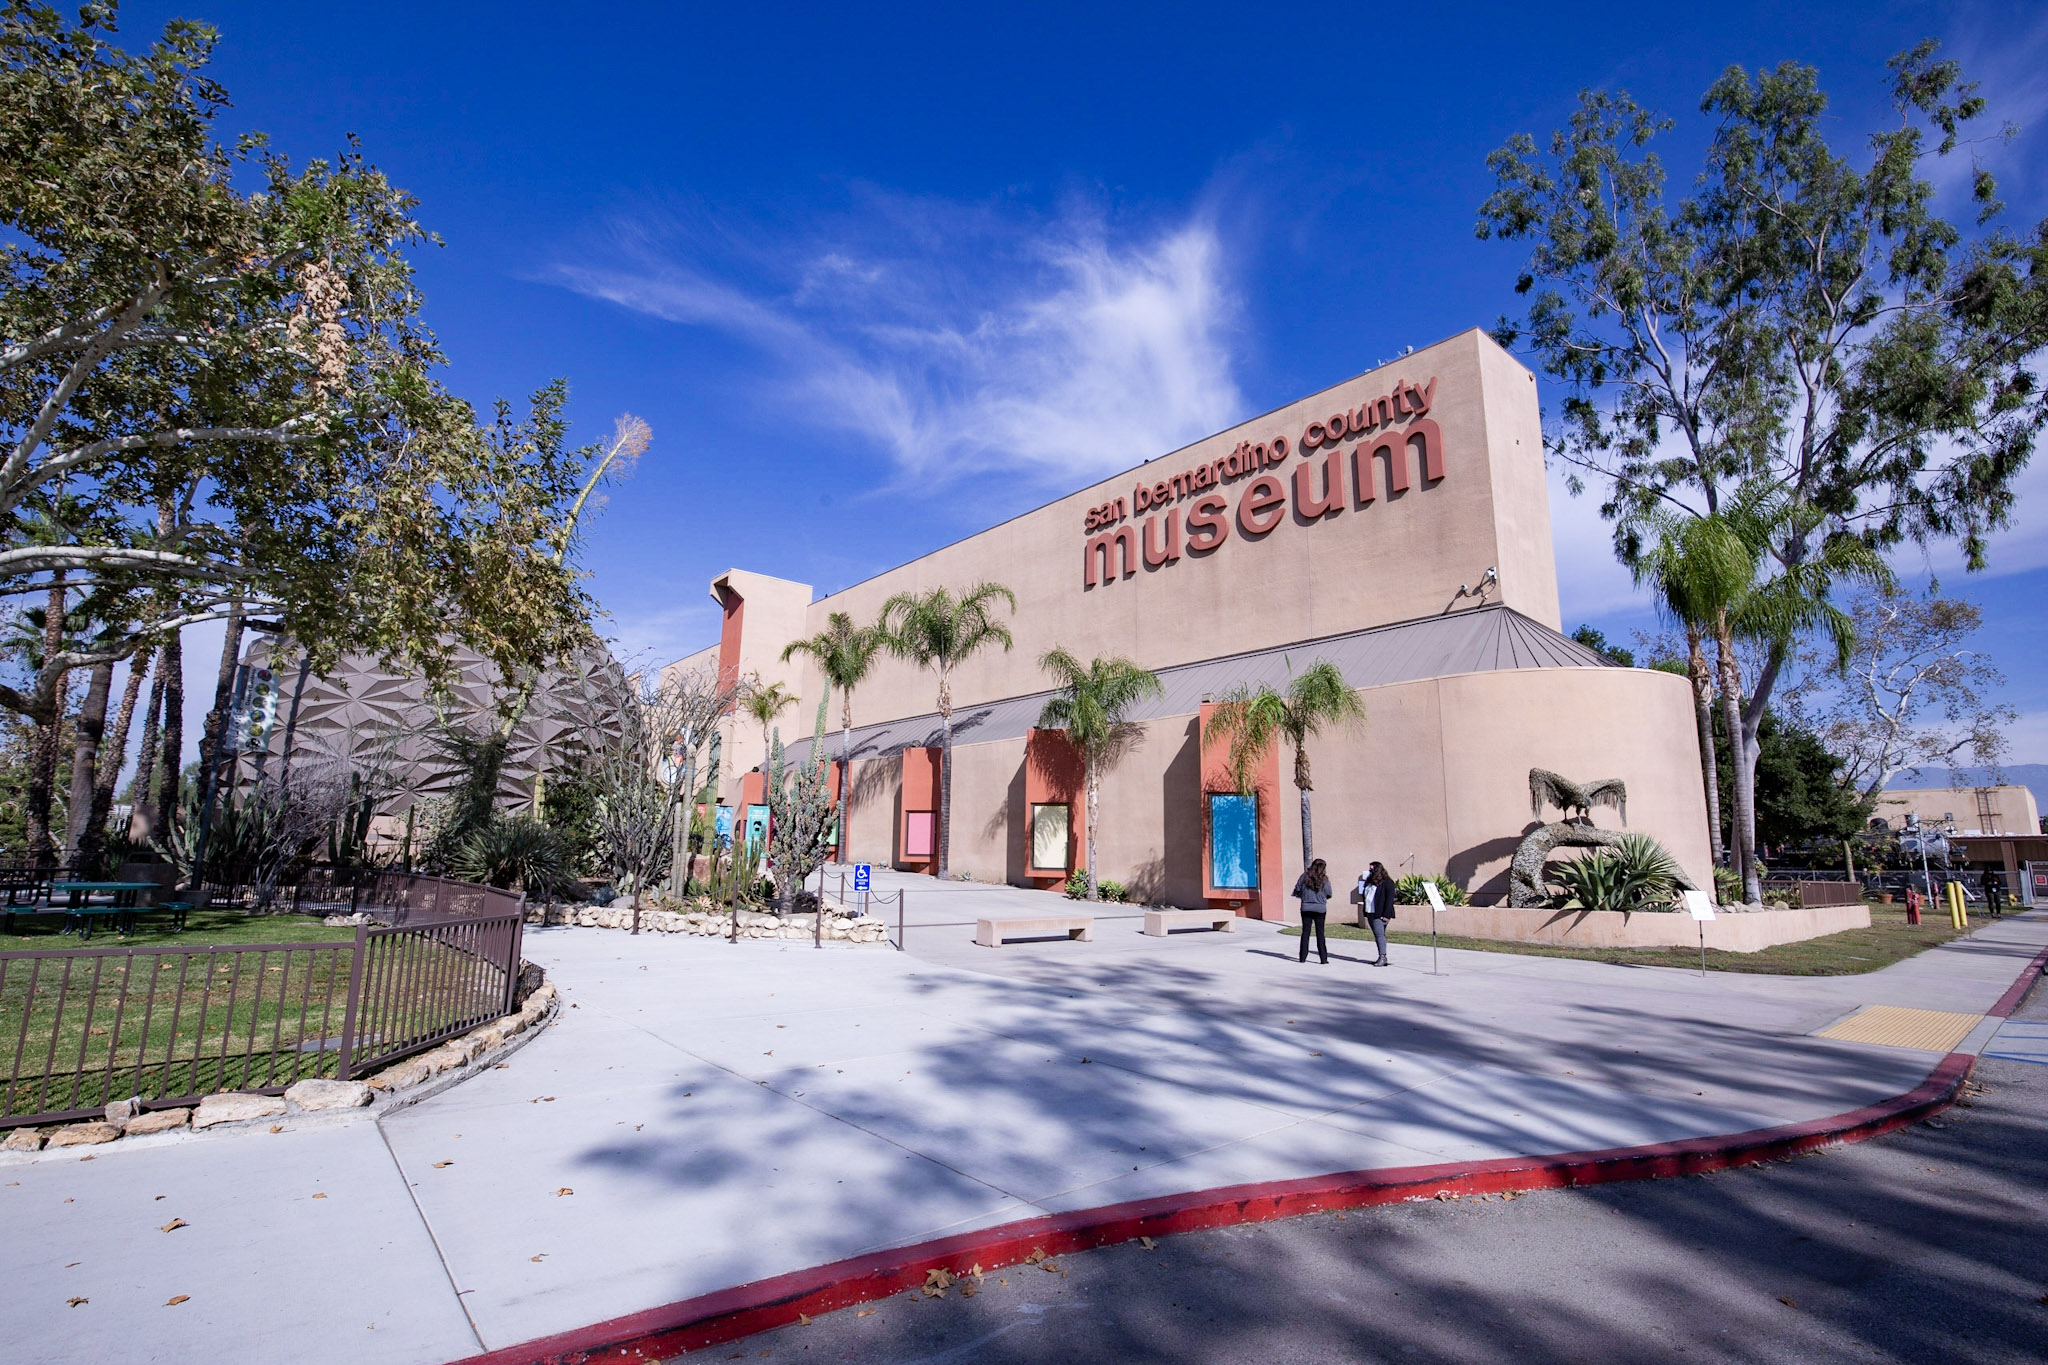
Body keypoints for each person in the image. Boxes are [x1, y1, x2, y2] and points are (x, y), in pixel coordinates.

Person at [1292, 858, 1332, 964]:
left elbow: (1297, 890)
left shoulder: (1304, 877)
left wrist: (1304, 897)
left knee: (1305, 932)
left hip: (1306, 907)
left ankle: (1302, 957)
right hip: (1320, 909)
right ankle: (1323, 958)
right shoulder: (1325, 879)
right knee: (1320, 933)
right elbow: (1329, 893)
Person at [1361, 860, 1397, 967]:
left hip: (1380, 913)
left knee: (1379, 935)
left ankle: (1382, 957)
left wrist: (1386, 915)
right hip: (1370, 912)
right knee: (1379, 935)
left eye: (1372, 869)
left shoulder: (1387, 882)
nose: (1370, 871)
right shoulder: (1369, 882)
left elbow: (1390, 900)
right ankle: (1381, 956)